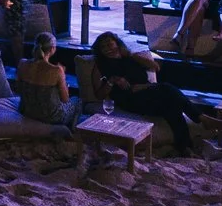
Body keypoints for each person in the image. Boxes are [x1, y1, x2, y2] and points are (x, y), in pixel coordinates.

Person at [85, 30, 213, 153]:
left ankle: (185, 147)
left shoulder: (131, 58)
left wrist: (133, 57)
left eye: (109, 43)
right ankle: (201, 118)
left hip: (149, 94)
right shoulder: (100, 66)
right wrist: (112, 80)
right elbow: (99, 94)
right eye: (103, 47)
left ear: (117, 43)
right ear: (99, 51)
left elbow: (155, 67)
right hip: (130, 99)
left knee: (171, 107)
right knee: (167, 88)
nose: (107, 48)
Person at [15, 31, 72, 125]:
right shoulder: (57, 70)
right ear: (52, 49)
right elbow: (65, 99)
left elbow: (17, 89)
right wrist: (63, 77)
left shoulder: (22, 63)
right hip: (50, 117)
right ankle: (66, 131)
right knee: (77, 102)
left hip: (25, 111)